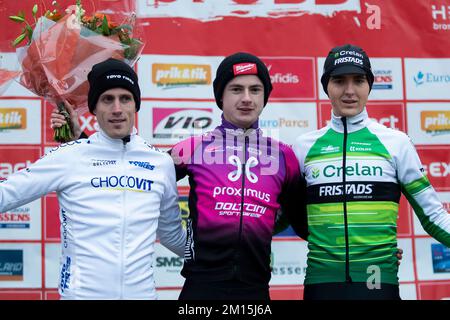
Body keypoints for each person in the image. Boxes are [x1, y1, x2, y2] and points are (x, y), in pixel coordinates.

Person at [0, 58, 186, 299]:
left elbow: (173, 235)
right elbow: (6, 194)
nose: (117, 108)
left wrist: (229, 250)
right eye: (107, 99)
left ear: (136, 105)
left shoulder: (160, 164)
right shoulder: (71, 156)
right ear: (94, 107)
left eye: (125, 99)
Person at [291, 44, 450, 300]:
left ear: (370, 85)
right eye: (339, 81)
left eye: (359, 80)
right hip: (321, 283)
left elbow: (433, 216)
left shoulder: (396, 143)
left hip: (378, 280)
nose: (350, 91)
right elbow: (275, 216)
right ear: (326, 86)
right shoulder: (303, 147)